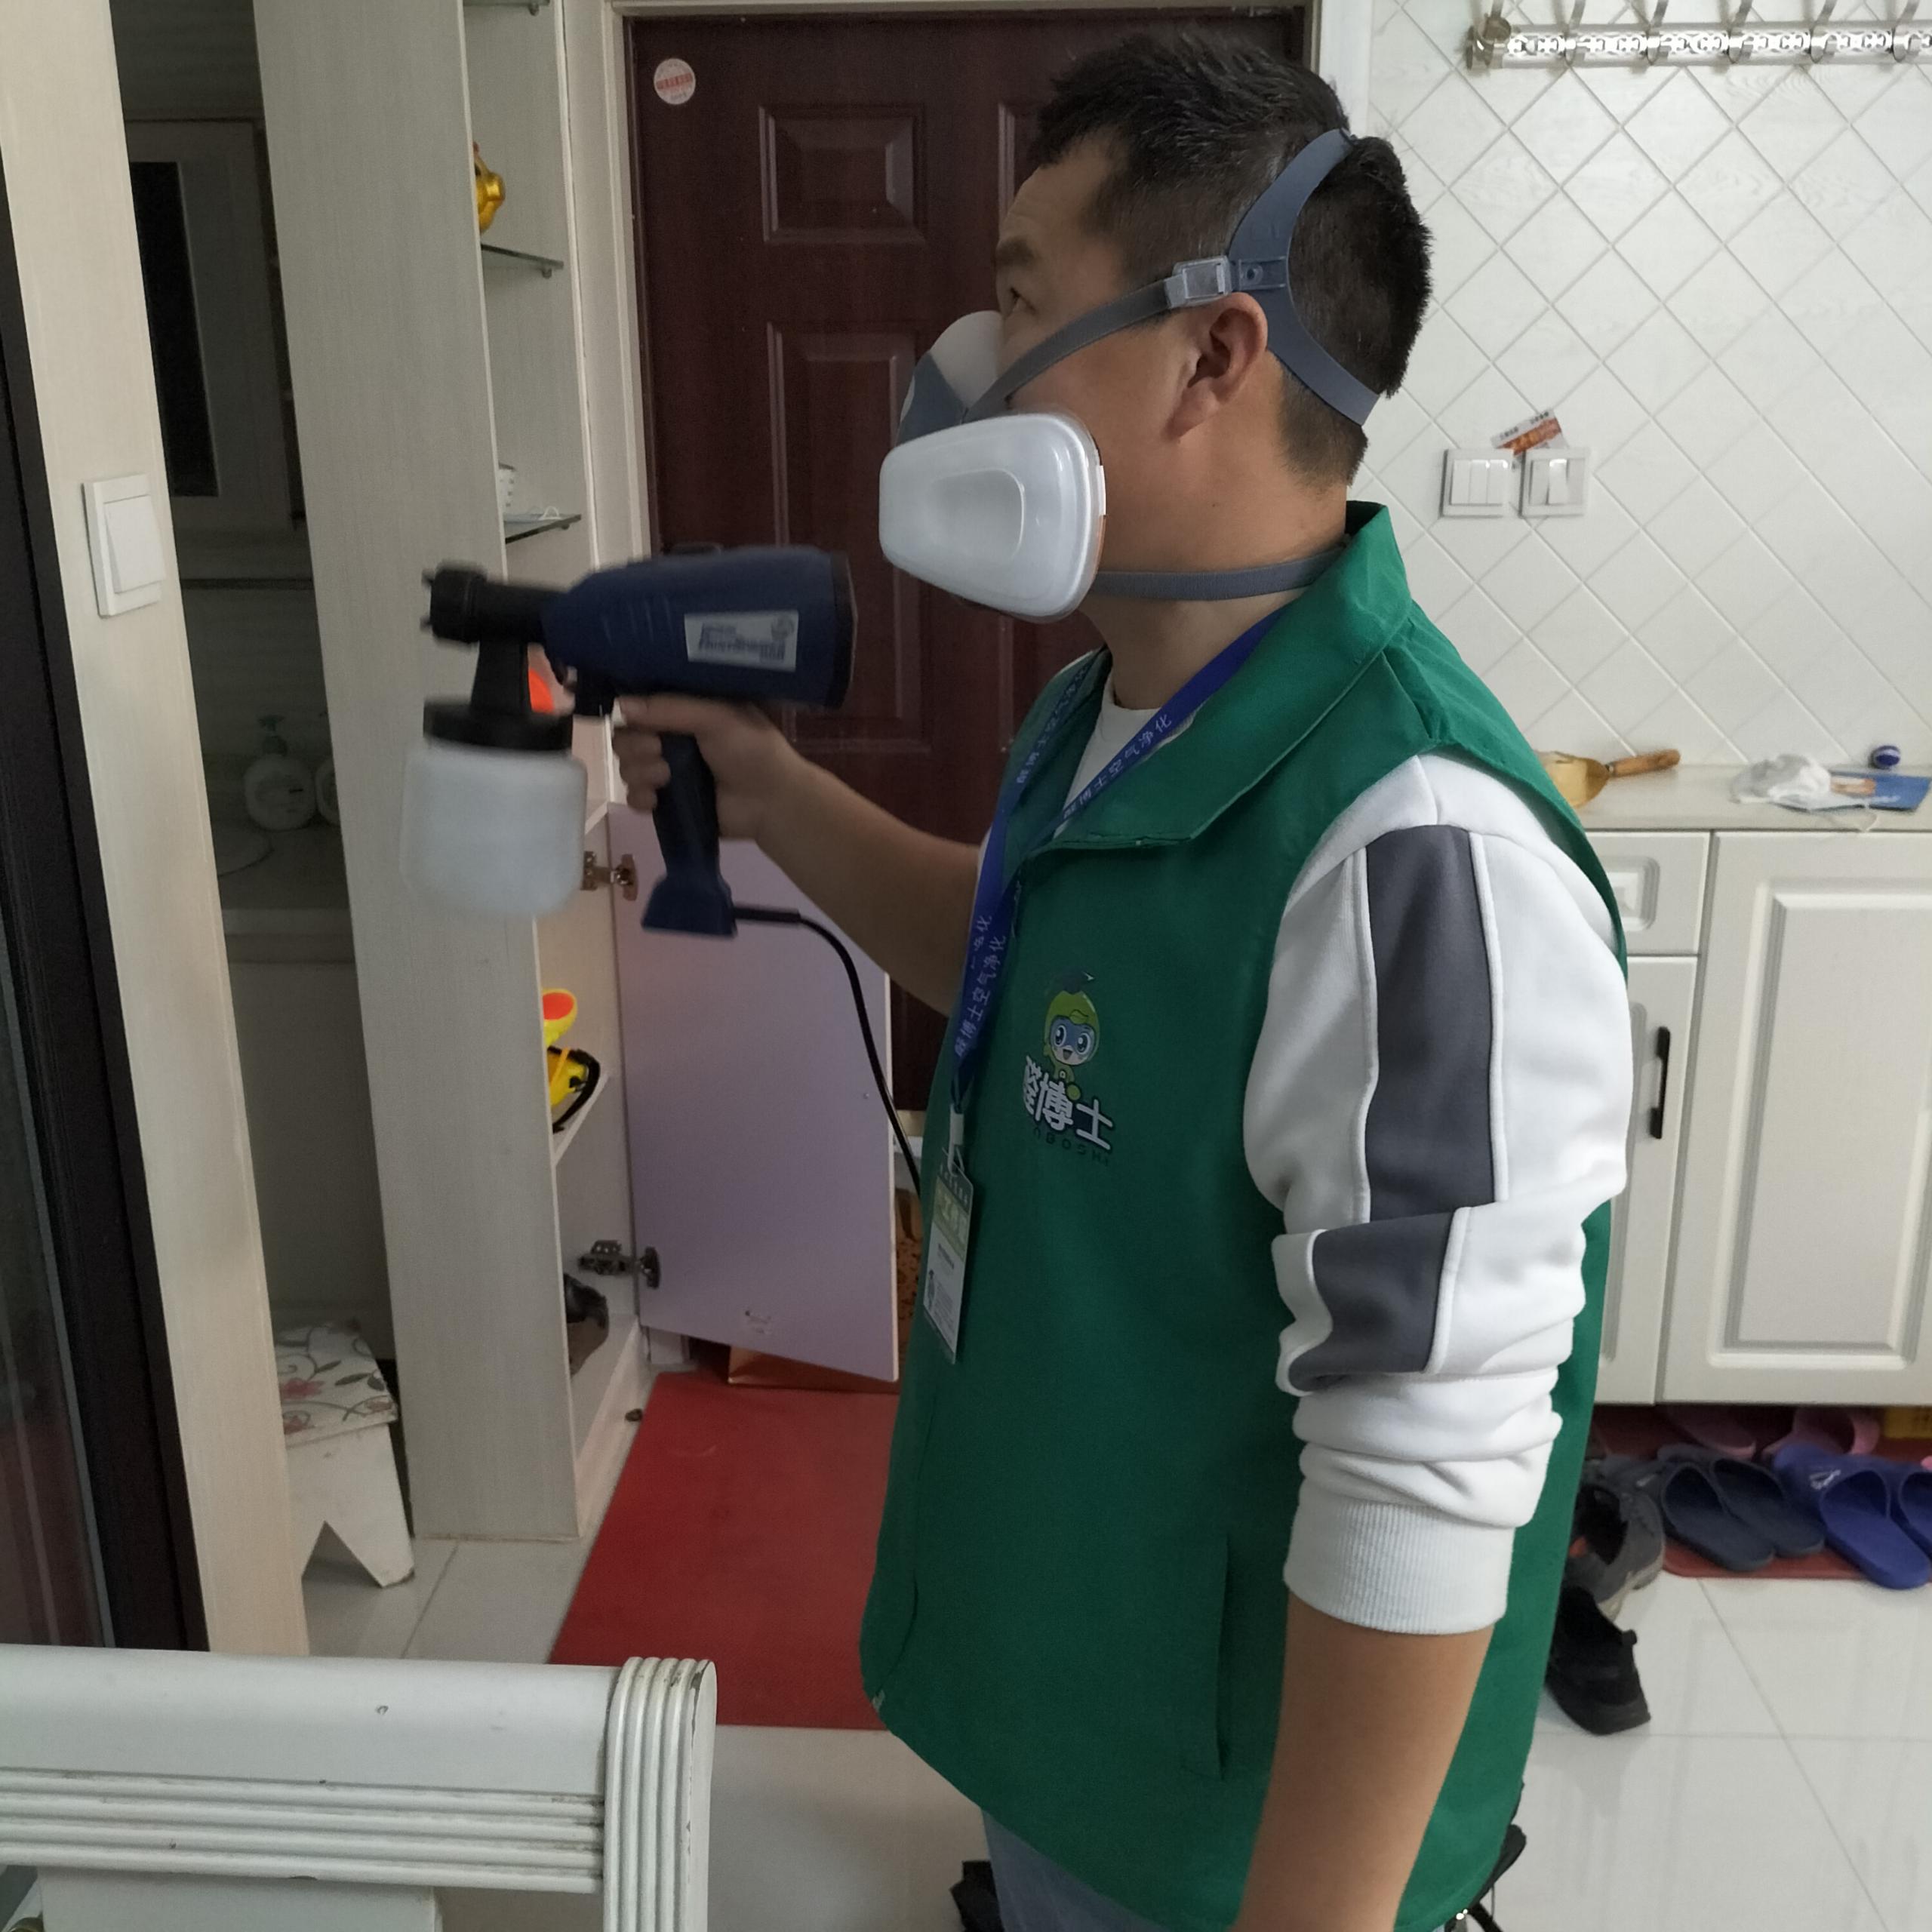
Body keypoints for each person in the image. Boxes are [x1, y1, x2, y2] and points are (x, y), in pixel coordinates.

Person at [616, 31, 1632, 1932]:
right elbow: (1041, 965)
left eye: (1017, 300)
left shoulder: (1413, 847)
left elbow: (1425, 1476)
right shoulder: (1111, 710)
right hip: (1076, 1702)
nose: (964, 366)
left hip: (1229, 1833)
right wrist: (773, 796)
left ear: (1213, 352)